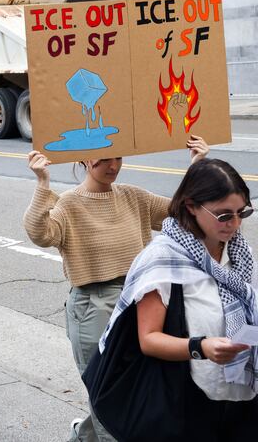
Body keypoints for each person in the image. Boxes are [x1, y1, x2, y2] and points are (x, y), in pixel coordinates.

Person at [23, 136, 209, 442]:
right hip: (93, 306)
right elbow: (40, 233)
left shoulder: (132, 196)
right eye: (104, 159)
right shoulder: (69, 203)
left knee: (131, 392)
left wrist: (196, 167)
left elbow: (181, 215)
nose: (113, 166)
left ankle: (82, 437)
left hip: (138, 301)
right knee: (108, 395)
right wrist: (42, 181)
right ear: (84, 159)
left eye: (119, 157)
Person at [101, 158, 258, 439]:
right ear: (192, 206)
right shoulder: (163, 259)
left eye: (241, 213)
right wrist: (201, 347)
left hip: (243, 393)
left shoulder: (239, 252)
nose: (234, 224)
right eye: (224, 215)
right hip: (186, 398)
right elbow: (148, 339)